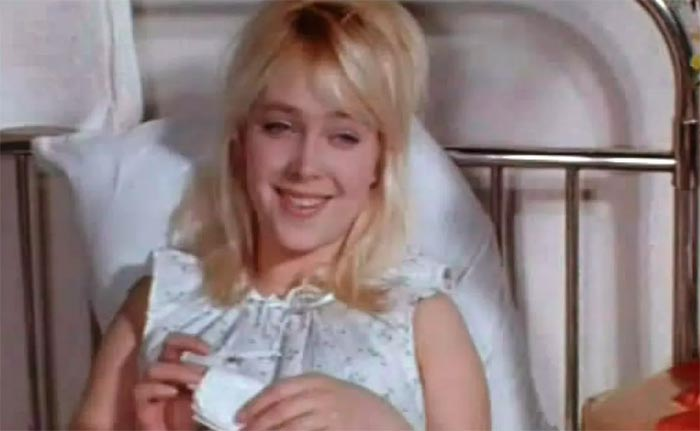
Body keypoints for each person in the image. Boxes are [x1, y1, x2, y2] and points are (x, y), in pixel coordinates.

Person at [71, 1, 490, 430]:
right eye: (279, 127)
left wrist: (385, 426)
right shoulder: (162, 301)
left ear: (381, 161)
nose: (305, 166)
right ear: (240, 145)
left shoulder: (420, 319)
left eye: (343, 137)